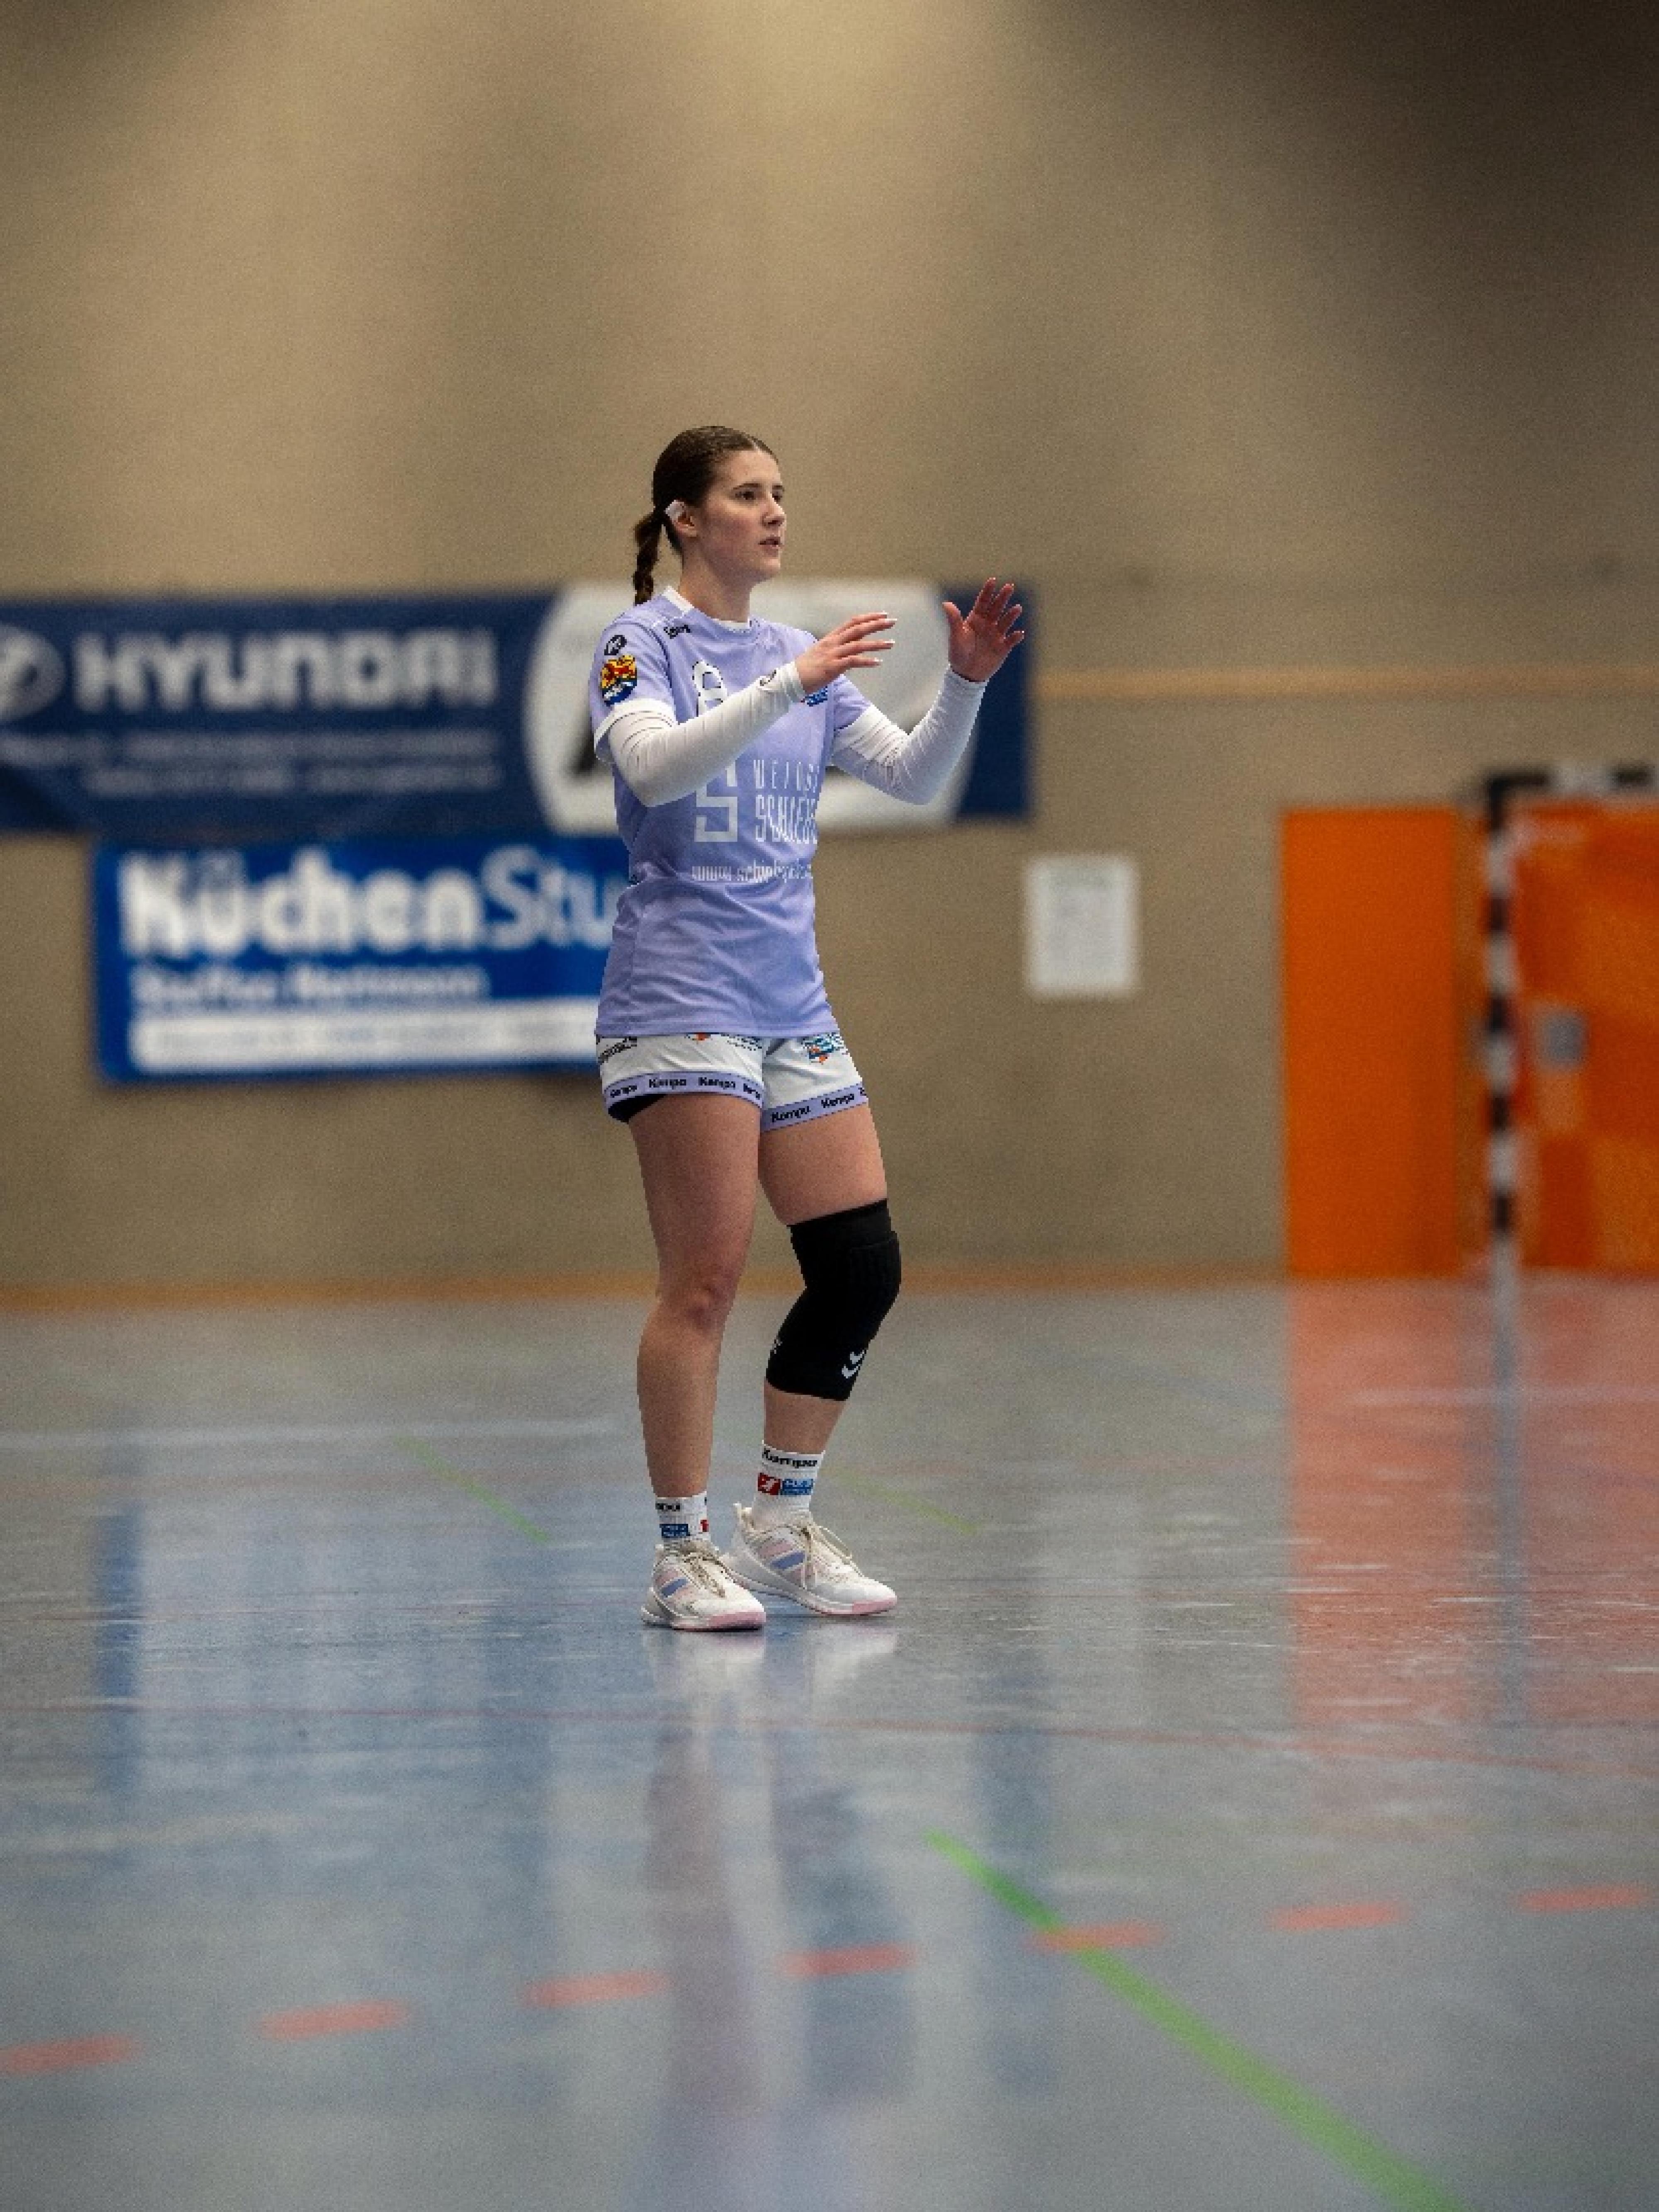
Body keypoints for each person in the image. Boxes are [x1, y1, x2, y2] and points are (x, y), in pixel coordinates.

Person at [589, 424, 1023, 1631]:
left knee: (860, 1266)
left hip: (791, 1004)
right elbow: (655, 770)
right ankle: (680, 1555)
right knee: (705, 1280)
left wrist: (967, 682)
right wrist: (791, 686)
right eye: (747, 494)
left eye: (780, 492)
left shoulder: (797, 655)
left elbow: (915, 776)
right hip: (682, 996)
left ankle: (780, 1524)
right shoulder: (641, 643)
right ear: (687, 519)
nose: (775, 511)